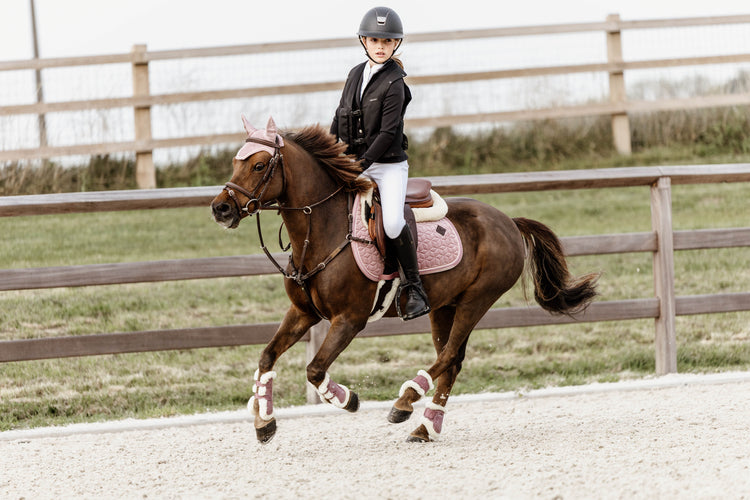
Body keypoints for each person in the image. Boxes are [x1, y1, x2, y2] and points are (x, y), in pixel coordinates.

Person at [330, 6, 430, 321]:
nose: (380, 47)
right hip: (355, 161)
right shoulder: (354, 74)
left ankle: (414, 286)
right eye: (375, 40)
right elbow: (339, 116)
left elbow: (388, 133)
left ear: (396, 44)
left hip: (387, 166)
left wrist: (360, 165)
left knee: (391, 223)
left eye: (387, 42)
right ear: (364, 40)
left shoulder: (396, 83)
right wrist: (330, 156)